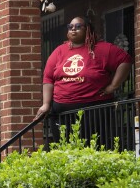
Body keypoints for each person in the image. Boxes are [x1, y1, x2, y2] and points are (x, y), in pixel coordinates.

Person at [35, 16, 133, 144]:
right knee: (65, 148)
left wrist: (113, 86)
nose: (73, 29)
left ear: (88, 29)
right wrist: (46, 104)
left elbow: (125, 60)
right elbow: (48, 78)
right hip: (62, 112)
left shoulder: (102, 49)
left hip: (94, 111)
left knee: (92, 146)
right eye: (70, 27)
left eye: (78, 26)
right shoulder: (59, 51)